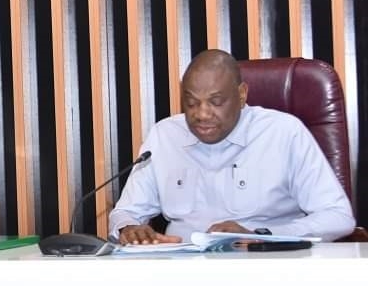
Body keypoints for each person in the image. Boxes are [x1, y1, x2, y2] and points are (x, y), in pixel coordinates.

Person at [109, 49, 355, 244]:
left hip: (268, 268)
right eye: (191, 103)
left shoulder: (284, 133)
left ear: (241, 94)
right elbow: (126, 212)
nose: (202, 114)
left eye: (216, 102)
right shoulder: (164, 136)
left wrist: (260, 234)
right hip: (182, 275)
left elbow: (338, 217)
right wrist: (128, 228)